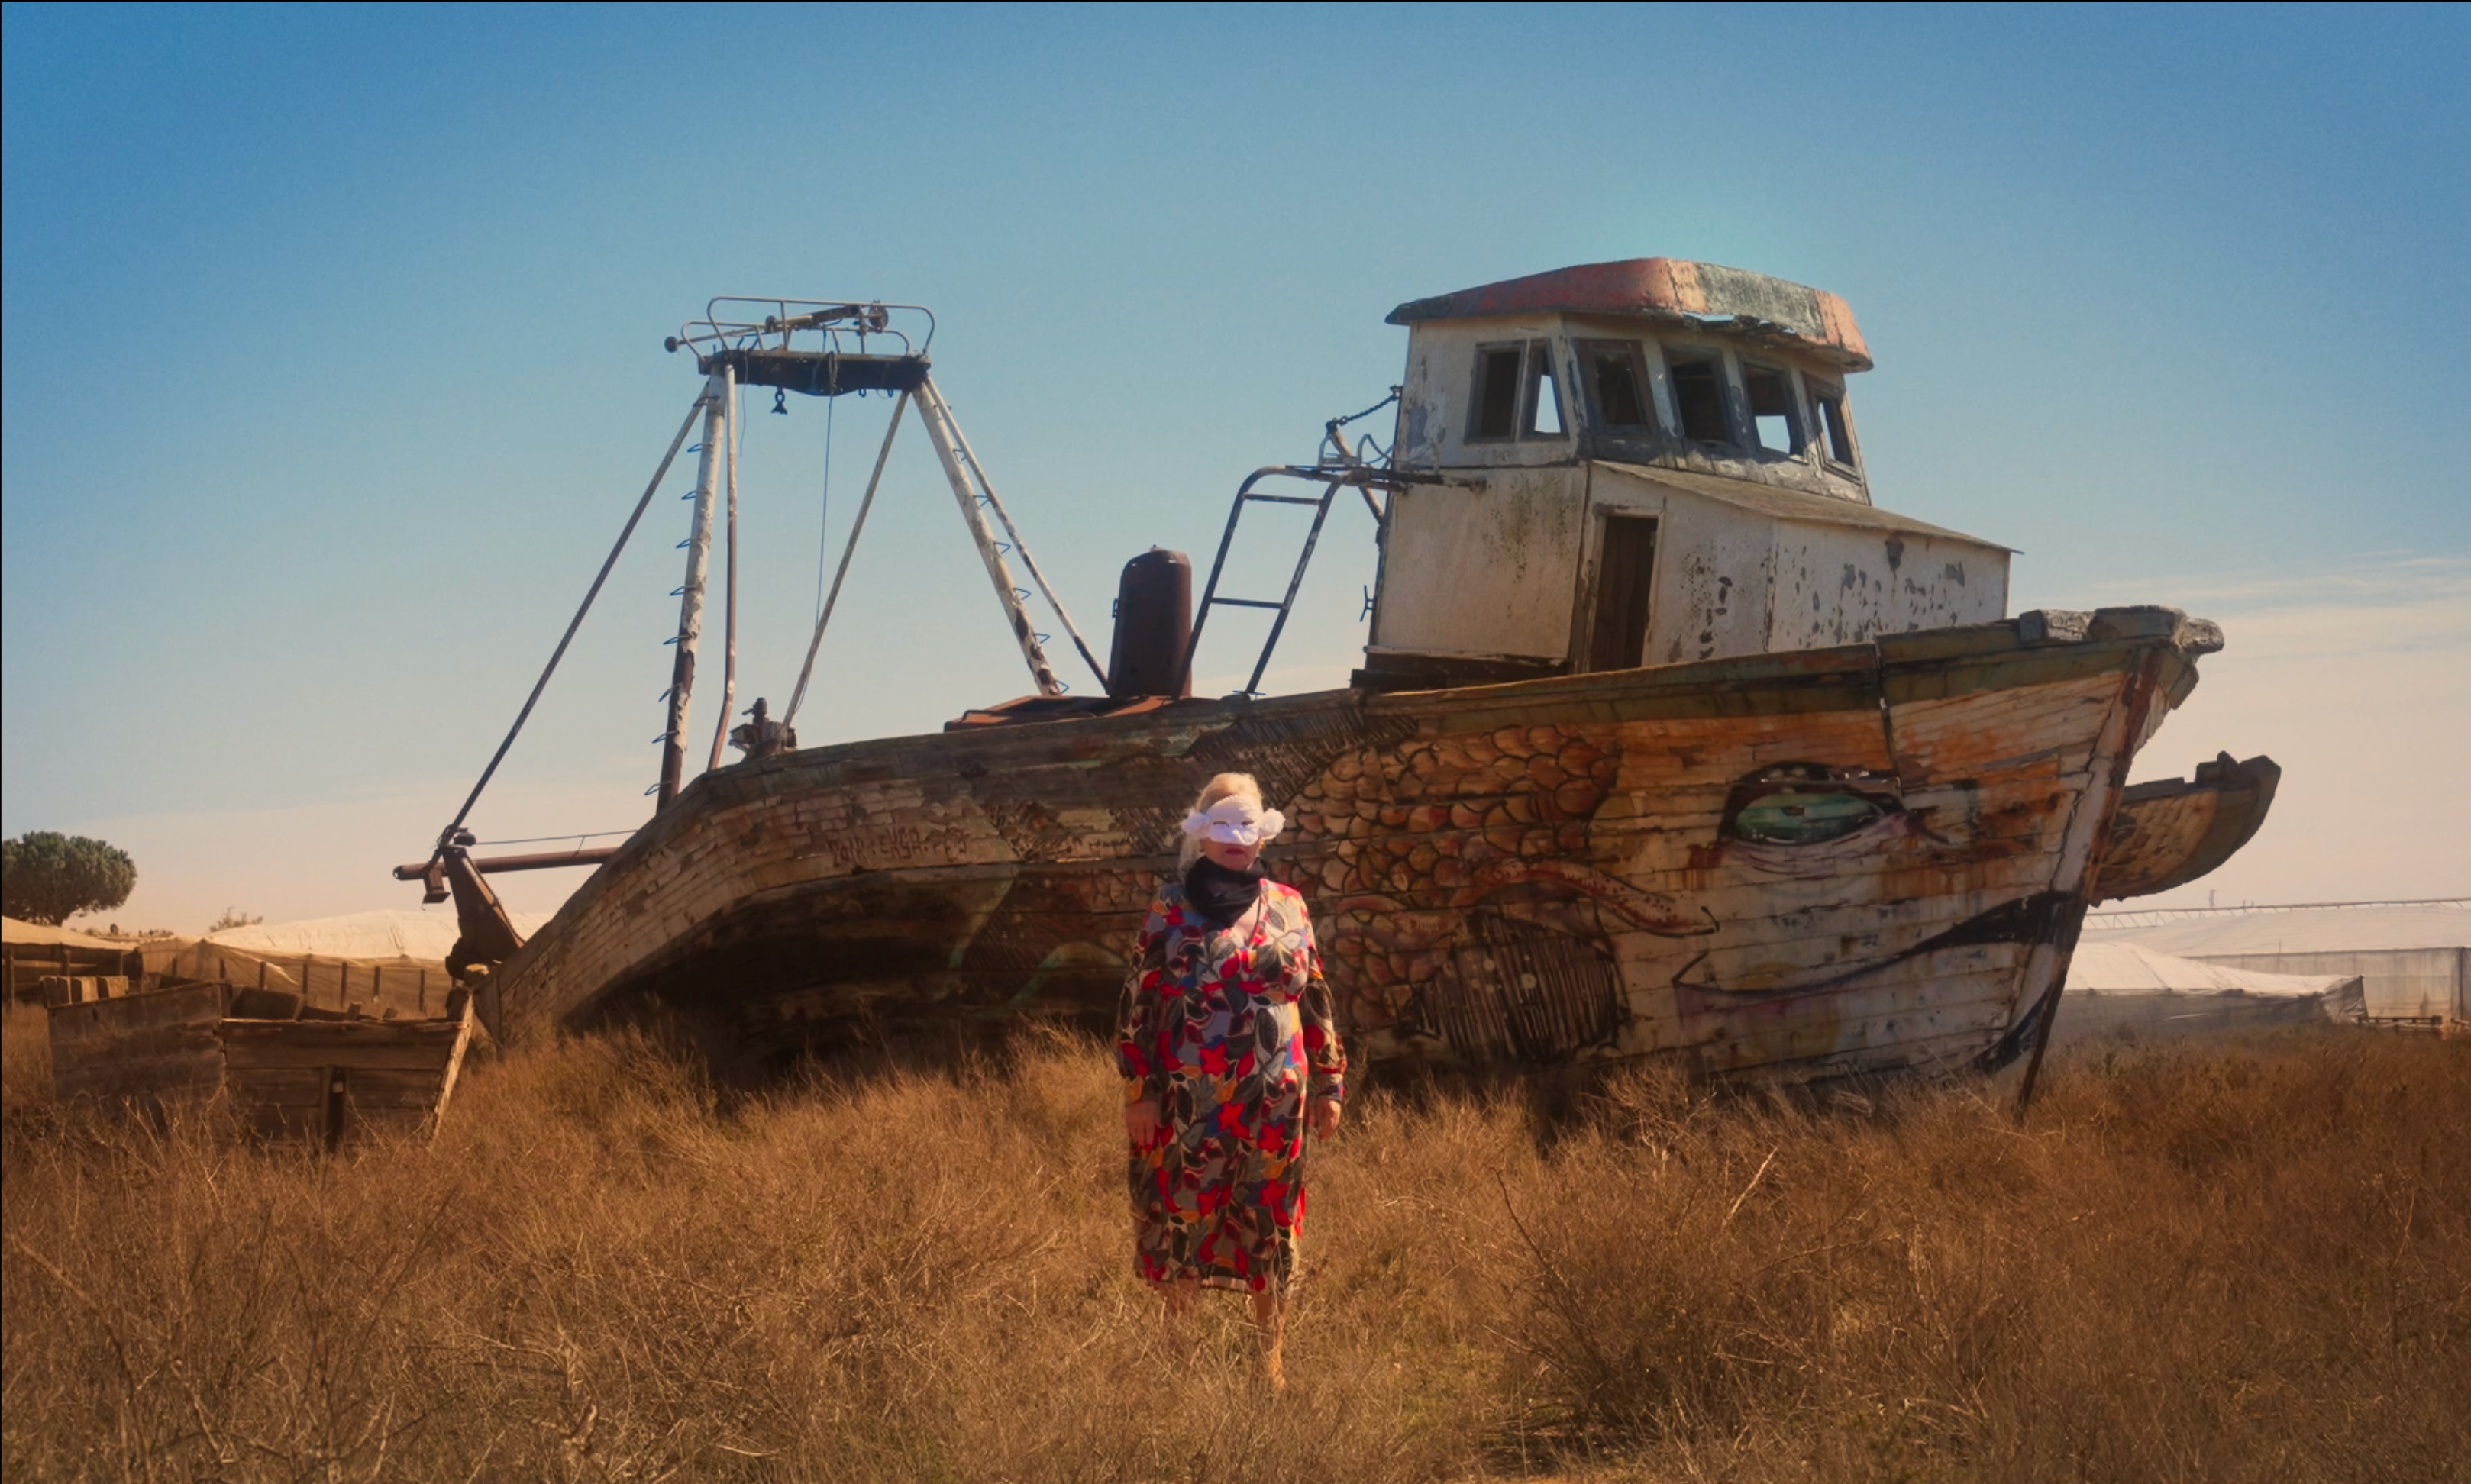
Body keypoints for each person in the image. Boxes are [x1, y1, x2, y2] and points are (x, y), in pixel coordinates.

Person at [1116, 771, 1346, 1384]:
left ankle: (1269, 1360)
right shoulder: (1171, 906)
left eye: (1246, 826)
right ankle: (1179, 1360)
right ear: (1201, 833)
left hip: (1277, 1104)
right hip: (1190, 1104)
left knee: (1272, 1221)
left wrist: (1330, 1083)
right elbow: (1138, 1000)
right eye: (1222, 826)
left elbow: (1315, 994)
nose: (1235, 840)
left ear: (1263, 833)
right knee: (1183, 1217)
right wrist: (1139, 1091)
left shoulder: (1290, 904)